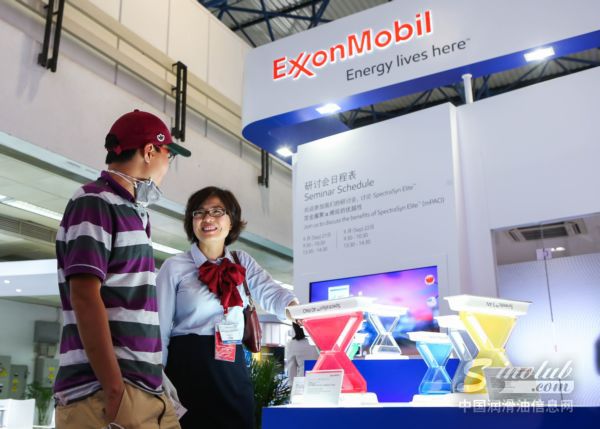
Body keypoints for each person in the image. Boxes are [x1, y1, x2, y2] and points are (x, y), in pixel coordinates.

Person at [53, 110, 191, 429]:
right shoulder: (93, 201)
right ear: (150, 151)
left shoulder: (136, 213)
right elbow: (84, 296)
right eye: (168, 154)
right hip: (103, 392)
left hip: (145, 388)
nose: (168, 164)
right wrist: (114, 389)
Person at [157, 186, 299, 429]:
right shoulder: (174, 266)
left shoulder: (242, 261)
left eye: (216, 211)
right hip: (189, 364)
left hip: (231, 363)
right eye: (199, 212)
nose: (207, 218)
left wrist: (294, 309)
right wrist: (157, 373)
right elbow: (158, 326)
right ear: (191, 221)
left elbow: (270, 292)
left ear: (231, 221)